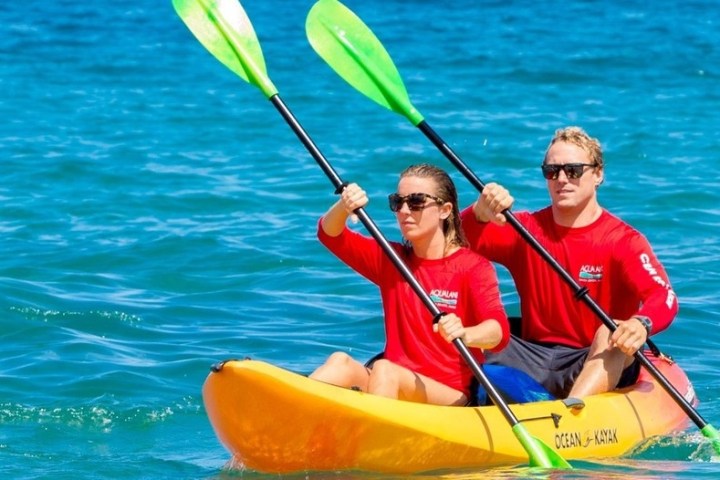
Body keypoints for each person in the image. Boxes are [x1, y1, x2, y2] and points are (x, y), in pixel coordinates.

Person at [461, 126, 678, 399]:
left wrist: (641, 324)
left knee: (609, 331)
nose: (562, 179)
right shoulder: (525, 229)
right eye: (552, 171)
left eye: (573, 170)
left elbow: (664, 296)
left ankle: (573, 414)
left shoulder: (623, 241)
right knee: (468, 323)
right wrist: (478, 213)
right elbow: (453, 244)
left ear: (598, 174)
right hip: (531, 355)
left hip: (594, 358)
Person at [310, 163, 510, 406]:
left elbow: (499, 332)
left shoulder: (473, 267)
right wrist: (344, 206)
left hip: (451, 396)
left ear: (445, 210)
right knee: (339, 363)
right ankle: (281, 424)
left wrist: (465, 333)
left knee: (385, 369)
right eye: (398, 202)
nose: (404, 210)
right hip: (393, 384)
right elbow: (329, 234)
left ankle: (374, 438)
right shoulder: (391, 259)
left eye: (416, 202)